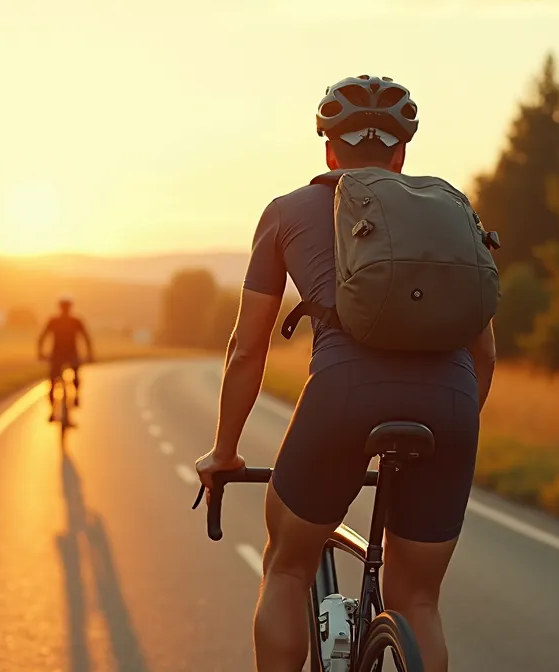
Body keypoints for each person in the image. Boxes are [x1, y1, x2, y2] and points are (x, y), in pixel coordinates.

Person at [194, 75, 497, 672]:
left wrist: (224, 451)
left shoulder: (287, 212)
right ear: (401, 153)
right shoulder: (453, 211)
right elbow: (483, 350)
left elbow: (247, 350)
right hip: (453, 407)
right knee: (419, 601)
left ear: (329, 150)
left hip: (342, 396)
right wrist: (450, 424)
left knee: (287, 565)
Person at [37, 295, 95, 421]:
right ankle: (54, 410)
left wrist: (40, 353)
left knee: (72, 378)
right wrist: (90, 354)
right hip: (61, 355)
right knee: (53, 383)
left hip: (67, 355)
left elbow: (86, 338)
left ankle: (74, 397)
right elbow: (42, 337)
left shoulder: (75, 321)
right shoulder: (56, 321)